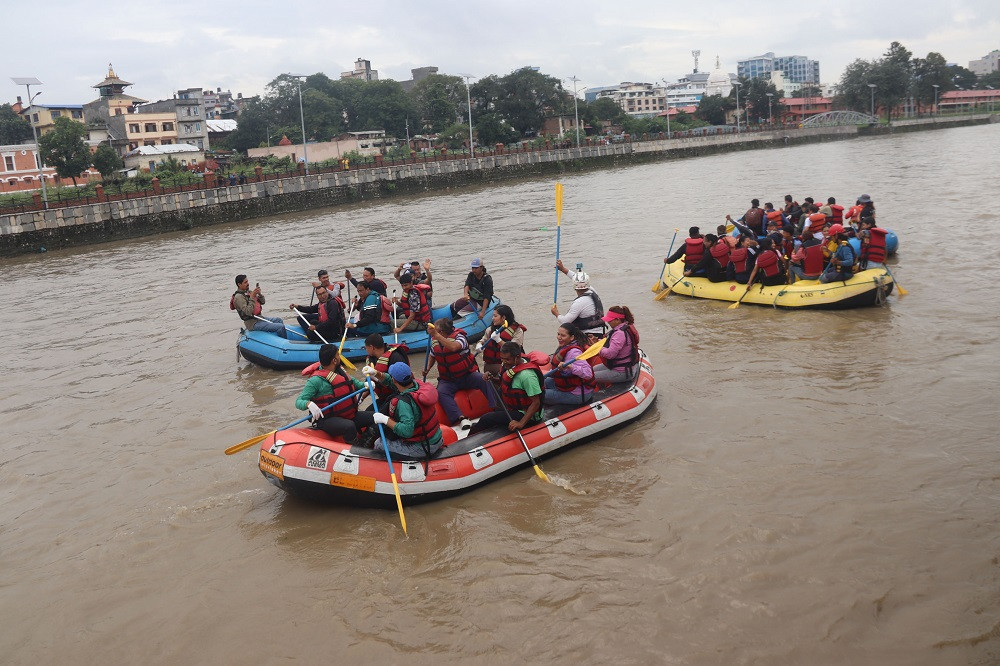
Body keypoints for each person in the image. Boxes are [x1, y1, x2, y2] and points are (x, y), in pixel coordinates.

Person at [357, 362, 444, 459]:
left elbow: (407, 431)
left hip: (423, 447)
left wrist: (385, 420)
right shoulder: (416, 384)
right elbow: (391, 382)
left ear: (395, 380)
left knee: (379, 443)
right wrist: (376, 373)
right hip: (436, 439)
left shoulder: (403, 403)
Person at [424, 318, 496, 425]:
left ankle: (495, 407)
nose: (434, 332)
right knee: (441, 392)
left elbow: (453, 347)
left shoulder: (460, 337)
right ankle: (460, 418)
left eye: (436, 330)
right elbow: (433, 354)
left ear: (442, 332)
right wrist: (428, 368)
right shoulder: (435, 341)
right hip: (448, 380)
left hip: (466, 375)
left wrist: (436, 335)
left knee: (484, 380)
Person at [469, 341, 544, 436]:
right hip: (512, 407)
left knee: (486, 418)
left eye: (507, 359)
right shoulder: (508, 365)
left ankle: (469, 440)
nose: (504, 362)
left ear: (517, 357)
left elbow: (536, 402)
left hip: (526, 413)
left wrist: (521, 423)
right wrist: (492, 378)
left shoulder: (527, 376)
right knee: (495, 412)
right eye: (502, 359)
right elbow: (502, 381)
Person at [297, 344, 367, 445]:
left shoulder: (340, 371)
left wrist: (367, 384)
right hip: (326, 420)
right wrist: (308, 404)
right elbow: (299, 401)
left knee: (374, 417)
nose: (340, 357)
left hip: (346, 415)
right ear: (334, 360)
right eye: (338, 355)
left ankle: (366, 442)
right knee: (349, 426)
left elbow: (356, 384)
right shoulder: (315, 380)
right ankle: (356, 449)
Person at [544, 323, 596, 406]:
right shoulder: (565, 346)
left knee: (540, 395)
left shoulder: (574, 352)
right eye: (558, 334)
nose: (559, 337)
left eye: (563, 336)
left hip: (578, 394)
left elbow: (588, 373)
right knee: (541, 383)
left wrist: (570, 366)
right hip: (568, 386)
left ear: (571, 337)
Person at [551, 260, 605, 339]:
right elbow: (575, 277)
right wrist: (563, 269)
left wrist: (556, 313)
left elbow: (565, 321)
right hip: (600, 332)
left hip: (587, 336)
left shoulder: (579, 302)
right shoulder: (592, 291)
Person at [592, 306, 640, 383]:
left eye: (610, 320)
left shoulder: (619, 334)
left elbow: (610, 354)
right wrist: (597, 341)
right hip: (621, 366)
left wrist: (598, 348)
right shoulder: (624, 327)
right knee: (592, 370)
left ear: (617, 320)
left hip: (622, 372)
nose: (608, 322)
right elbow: (611, 342)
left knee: (588, 377)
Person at [477, 304, 526, 377]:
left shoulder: (517, 331)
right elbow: (483, 340)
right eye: (493, 316)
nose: (493, 318)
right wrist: (480, 344)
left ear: (503, 317)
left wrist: (498, 340)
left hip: (508, 365)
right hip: (489, 365)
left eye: (495, 316)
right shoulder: (490, 329)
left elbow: (514, 349)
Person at [363, 334, 409, 402]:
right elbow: (370, 383)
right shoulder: (371, 359)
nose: (366, 350)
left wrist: (377, 376)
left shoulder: (395, 357)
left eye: (366, 348)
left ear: (372, 347)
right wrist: (361, 398)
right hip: (384, 397)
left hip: (399, 396)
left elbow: (401, 383)